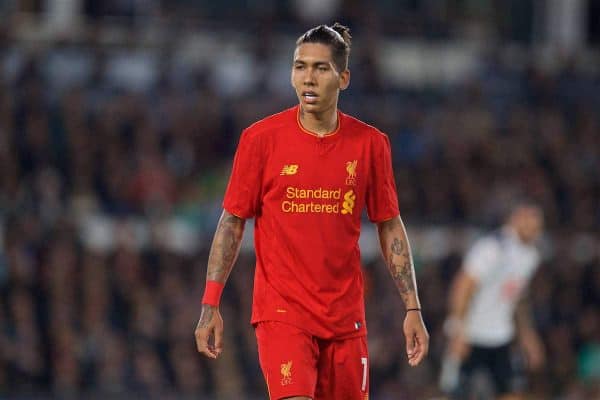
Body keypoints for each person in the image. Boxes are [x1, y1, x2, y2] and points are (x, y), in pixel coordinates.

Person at [194, 23, 429, 400]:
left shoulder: (370, 145)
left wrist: (412, 307)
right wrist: (210, 303)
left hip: (346, 318)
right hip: (283, 313)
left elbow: (389, 225)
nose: (308, 77)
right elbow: (232, 222)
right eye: (300, 66)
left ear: (344, 77)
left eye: (320, 68)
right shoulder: (260, 140)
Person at [439, 201, 546, 400]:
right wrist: (457, 330)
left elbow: (517, 297)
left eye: (537, 226)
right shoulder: (493, 247)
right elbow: (463, 286)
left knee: (513, 393)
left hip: (501, 337)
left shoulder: (531, 256)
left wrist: (527, 335)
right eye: (529, 223)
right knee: (454, 395)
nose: (534, 230)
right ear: (515, 219)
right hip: (471, 335)